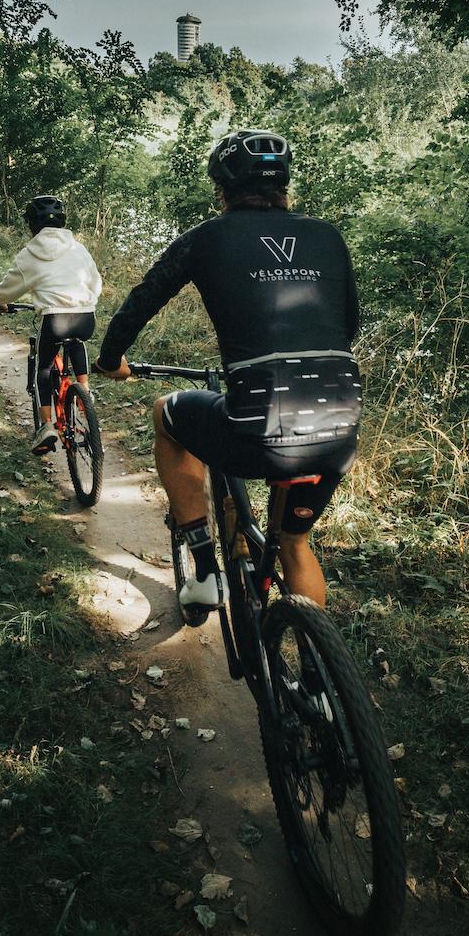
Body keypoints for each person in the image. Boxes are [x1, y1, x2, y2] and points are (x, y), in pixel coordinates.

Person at [94, 130, 361, 613]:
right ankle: (320, 683)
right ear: (285, 186)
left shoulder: (205, 238)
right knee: (295, 544)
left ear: (221, 190)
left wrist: (111, 359)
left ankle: (204, 572)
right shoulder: (328, 236)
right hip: (339, 424)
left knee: (166, 416)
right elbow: (351, 325)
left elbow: (140, 303)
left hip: (256, 426)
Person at [0, 196, 103, 454]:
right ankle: (85, 392)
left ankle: (46, 426)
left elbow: (6, 291)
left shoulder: (29, 254)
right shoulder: (78, 248)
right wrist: (87, 300)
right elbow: (95, 283)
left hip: (55, 320)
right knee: (77, 341)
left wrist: (0, 303)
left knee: (43, 367)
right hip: (85, 316)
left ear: (32, 224)